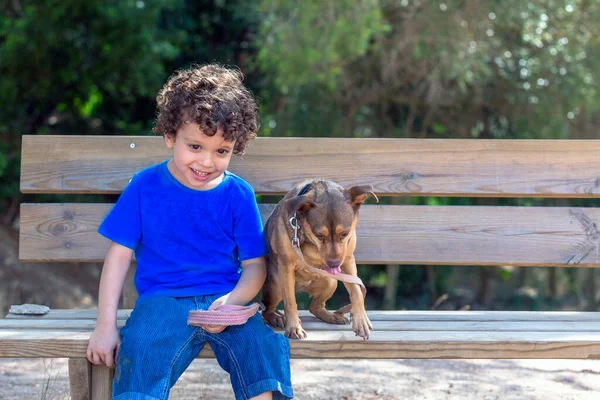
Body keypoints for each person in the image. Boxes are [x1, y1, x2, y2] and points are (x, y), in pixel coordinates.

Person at [86, 64, 293, 400]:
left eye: (221, 151)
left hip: (225, 300)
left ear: (235, 148)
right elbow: (119, 256)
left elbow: (255, 265)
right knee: (140, 350)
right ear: (170, 136)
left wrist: (233, 301)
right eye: (195, 146)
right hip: (162, 301)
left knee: (263, 345)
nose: (207, 162)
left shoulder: (238, 194)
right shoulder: (144, 187)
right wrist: (105, 326)